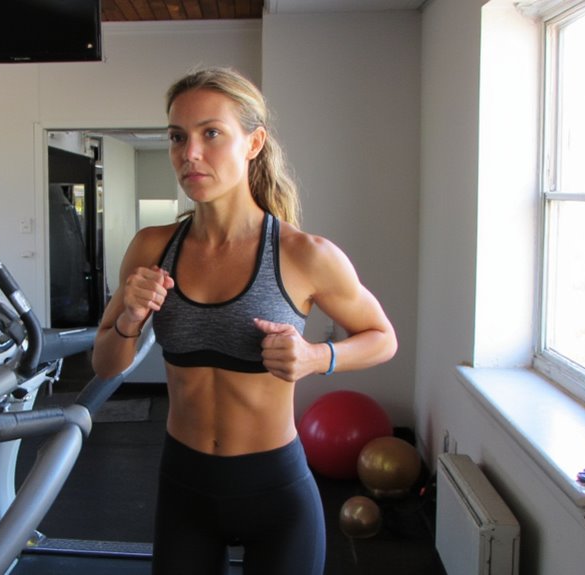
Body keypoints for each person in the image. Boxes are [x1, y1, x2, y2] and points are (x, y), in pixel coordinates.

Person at [91, 67, 397, 575]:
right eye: (177, 137)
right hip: (184, 486)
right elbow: (105, 365)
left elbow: (383, 338)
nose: (190, 153)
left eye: (211, 133)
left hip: (274, 489)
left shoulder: (305, 255)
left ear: (253, 143)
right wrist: (128, 317)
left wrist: (317, 356)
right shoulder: (153, 247)